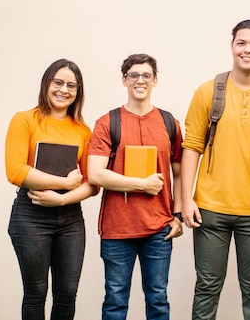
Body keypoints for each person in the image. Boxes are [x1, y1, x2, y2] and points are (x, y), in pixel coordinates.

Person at [180, 19, 250, 320]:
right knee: (207, 286)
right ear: (232, 46)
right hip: (210, 207)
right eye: (242, 43)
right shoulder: (208, 91)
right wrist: (186, 199)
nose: (248, 49)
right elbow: (191, 146)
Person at [87, 53, 183, 320]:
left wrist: (178, 216)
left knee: (158, 299)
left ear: (155, 81)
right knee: (115, 300)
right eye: (134, 75)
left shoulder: (169, 123)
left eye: (146, 75)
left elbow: (179, 172)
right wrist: (142, 184)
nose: (140, 80)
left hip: (158, 229)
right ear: (124, 80)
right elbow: (95, 174)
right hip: (118, 229)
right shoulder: (108, 123)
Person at [5, 59, 97, 320]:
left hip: (70, 220)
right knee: (36, 292)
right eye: (58, 82)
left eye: (72, 85)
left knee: (67, 293)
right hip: (30, 217)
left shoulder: (82, 130)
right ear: (46, 83)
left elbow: (92, 184)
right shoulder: (24, 120)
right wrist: (65, 183)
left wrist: (62, 199)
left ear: (78, 92)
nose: (64, 90)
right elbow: (16, 171)